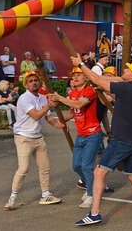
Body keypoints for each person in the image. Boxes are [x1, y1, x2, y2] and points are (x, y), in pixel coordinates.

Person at [71, 57, 132, 225]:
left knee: (99, 172)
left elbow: (97, 79)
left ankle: (94, 213)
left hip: (121, 139)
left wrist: (81, 64)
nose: (125, 70)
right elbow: (107, 87)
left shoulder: (127, 88)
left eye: (128, 69)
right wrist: (101, 87)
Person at [4, 70, 66, 210]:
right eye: (30, 81)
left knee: (45, 167)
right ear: (26, 85)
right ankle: (12, 198)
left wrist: (59, 125)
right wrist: (49, 106)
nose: (34, 83)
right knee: (23, 168)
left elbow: (48, 118)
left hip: (38, 137)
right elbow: (36, 116)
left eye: (36, 80)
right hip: (23, 138)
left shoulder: (43, 98)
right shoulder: (24, 98)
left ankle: (45, 194)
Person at [49, 67, 103, 209]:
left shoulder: (90, 91)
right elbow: (73, 112)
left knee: (86, 165)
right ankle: (90, 186)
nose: (75, 77)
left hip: (93, 133)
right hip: (81, 134)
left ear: (85, 77)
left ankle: (91, 195)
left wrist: (60, 98)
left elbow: (80, 104)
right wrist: (62, 121)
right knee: (76, 165)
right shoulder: (73, 93)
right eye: (74, 75)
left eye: (79, 74)